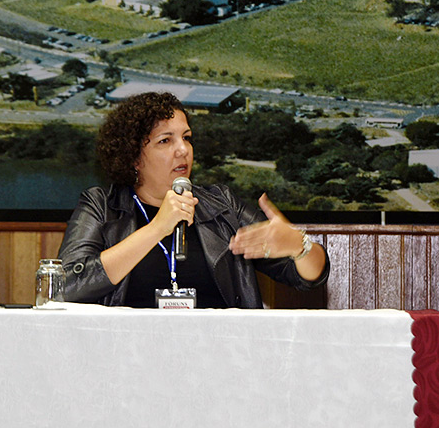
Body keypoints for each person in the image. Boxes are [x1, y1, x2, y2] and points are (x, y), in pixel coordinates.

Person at [58, 91, 329, 308]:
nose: (183, 150)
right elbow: (65, 287)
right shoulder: (101, 206)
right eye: (165, 141)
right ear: (133, 157)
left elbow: (309, 277)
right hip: (129, 361)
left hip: (220, 357)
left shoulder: (222, 205)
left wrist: (298, 246)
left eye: (186, 138)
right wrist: (156, 229)